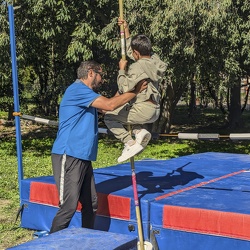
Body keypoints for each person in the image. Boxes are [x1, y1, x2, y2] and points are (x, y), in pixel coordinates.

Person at [50, 60, 147, 234]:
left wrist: (123, 74)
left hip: (83, 157)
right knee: (68, 207)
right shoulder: (77, 90)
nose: (101, 79)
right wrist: (136, 90)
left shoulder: (87, 94)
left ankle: (87, 239)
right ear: (90, 73)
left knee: (91, 204)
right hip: (69, 154)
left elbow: (110, 105)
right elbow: (110, 105)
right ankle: (50, 244)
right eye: (100, 74)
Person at [104, 18, 167, 163]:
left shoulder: (136, 67)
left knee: (110, 116)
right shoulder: (155, 61)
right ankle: (139, 131)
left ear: (136, 53)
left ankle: (129, 143)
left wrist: (121, 70)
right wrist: (126, 30)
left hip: (142, 109)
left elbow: (124, 88)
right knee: (127, 111)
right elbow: (132, 51)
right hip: (154, 110)